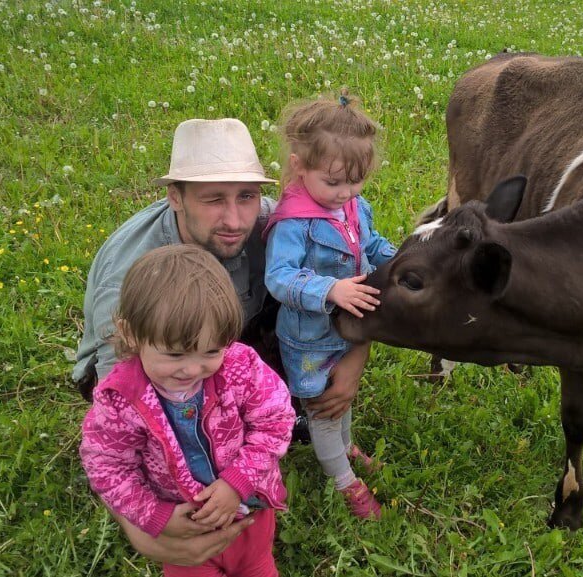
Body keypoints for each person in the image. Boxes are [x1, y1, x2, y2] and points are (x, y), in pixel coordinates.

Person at [73, 118, 368, 564]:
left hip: (228, 350)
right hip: (152, 371)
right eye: (213, 199)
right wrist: (143, 530)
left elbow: (356, 275)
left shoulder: (276, 220)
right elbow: (117, 388)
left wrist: (353, 361)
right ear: (175, 196)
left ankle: (278, 409)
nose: (234, 219)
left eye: (246, 196)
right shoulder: (133, 269)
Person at [80, 244, 293, 576]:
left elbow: (276, 420)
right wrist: (154, 515)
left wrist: (238, 482)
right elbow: (108, 467)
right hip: (183, 524)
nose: (192, 369)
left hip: (250, 511)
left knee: (258, 567)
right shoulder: (120, 398)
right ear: (131, 334)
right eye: (175, 355)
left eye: (210, 351)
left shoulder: (241, 368)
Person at [263, 90, 396, 519]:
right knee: (323, 409)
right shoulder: (293, 221)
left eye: (355, 181)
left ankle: (344, 446)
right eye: (334, 182)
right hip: (309, 340)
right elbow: (278, 277)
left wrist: (403, 263)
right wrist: (329, 290)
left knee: (344, 398)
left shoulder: (355, 206)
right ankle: (343, 481)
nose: (345, 192)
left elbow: (370, 245)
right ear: (300, 167)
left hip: (345, 331)